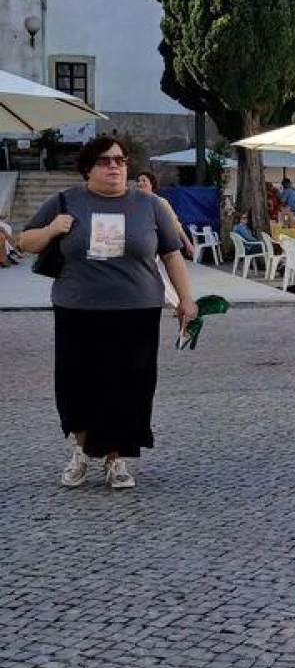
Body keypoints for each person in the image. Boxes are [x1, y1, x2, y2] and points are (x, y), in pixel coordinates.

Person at [17, 134, 198, 491]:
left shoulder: (150, 206)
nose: (114, 166)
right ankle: (81, 452)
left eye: (120, 160)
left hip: (138, 309)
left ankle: (117, 459)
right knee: (77, 384)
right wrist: (54, 228)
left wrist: (186, 300)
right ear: (88, 168)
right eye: (105, 160)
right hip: (78, 309)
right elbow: (25, 242)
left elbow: (172, 254)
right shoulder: (66, 200)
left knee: (130, 387)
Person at [136, 171, 194, 258]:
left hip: (153, 247)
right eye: (139, 181)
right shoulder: (134, 202)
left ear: (152, 184)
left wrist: (187, 243)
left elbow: (175, 223)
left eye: (144, 180)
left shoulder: (160, 202)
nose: (140, 183)